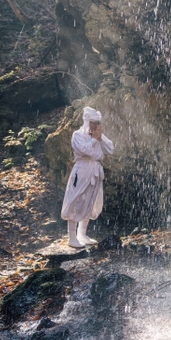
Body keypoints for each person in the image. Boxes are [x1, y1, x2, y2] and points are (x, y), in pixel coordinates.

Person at [61, 106, 114, 248]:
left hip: (95, 171)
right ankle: (71, 237)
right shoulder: (77, 135)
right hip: (82, 169)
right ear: (87, 122)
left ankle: (82, 233)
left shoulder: (96, 136)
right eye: (93, 123)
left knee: (91, 200)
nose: (95, 126)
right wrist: (95, 139)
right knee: (76, 200)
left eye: (97, 123)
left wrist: (100, 137)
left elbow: (110, 148)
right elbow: (86, 151)